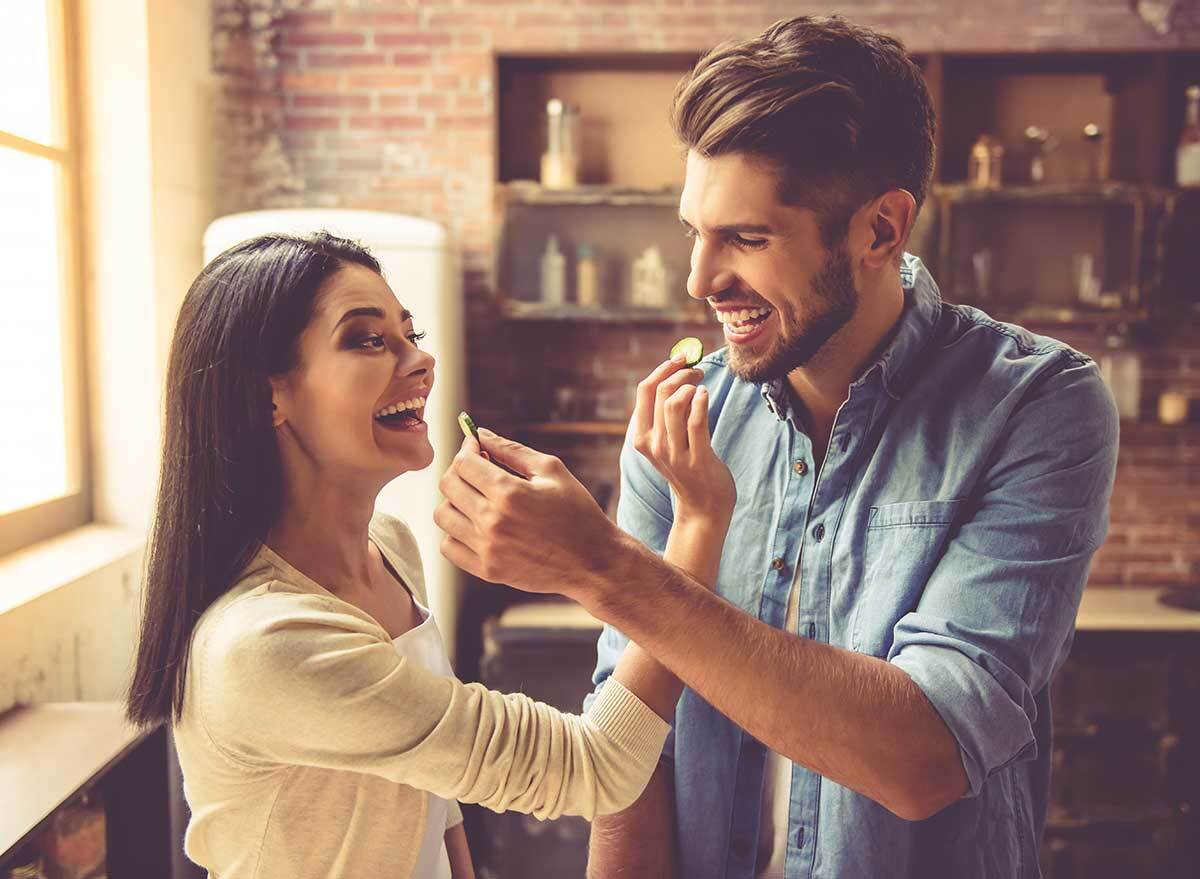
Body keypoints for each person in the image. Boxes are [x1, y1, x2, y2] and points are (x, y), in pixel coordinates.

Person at [434, 15, 1119, 879]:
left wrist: (602, 567)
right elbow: (633, 759)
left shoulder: (1036, 405)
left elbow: (928, 753)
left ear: (881, 230)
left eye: (747, 239)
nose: (700, 280)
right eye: (695, 230)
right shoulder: (683, 423)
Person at [124, 231, 732, 879]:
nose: (420, 360)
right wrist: (695, 523)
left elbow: (434, 801)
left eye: (409, 334)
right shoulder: (268, 641)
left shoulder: (388, 546)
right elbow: (596, 767)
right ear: (265, 394)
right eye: (366, 338)